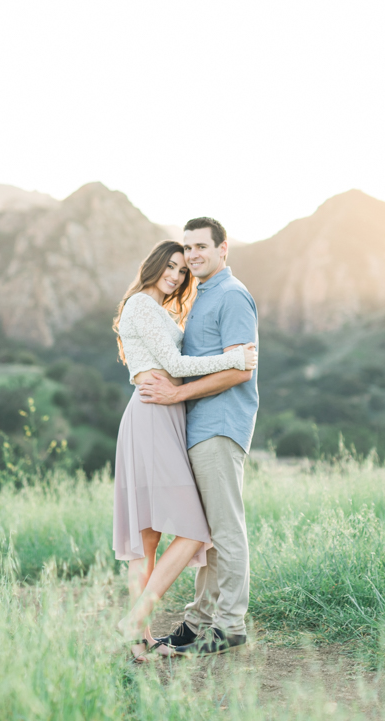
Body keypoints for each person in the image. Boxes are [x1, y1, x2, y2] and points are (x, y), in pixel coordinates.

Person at [111, 239, 259, 663]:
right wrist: (232, 359)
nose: (175, 276)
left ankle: (138, 641)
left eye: (181, 271)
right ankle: (134, 620)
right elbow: (175, 368)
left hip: (164, 413)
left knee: (150, 537)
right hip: (155, 413)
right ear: (153, 265)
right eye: (170, 266)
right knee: (191, 530)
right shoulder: (141, 304)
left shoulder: (158, 308)